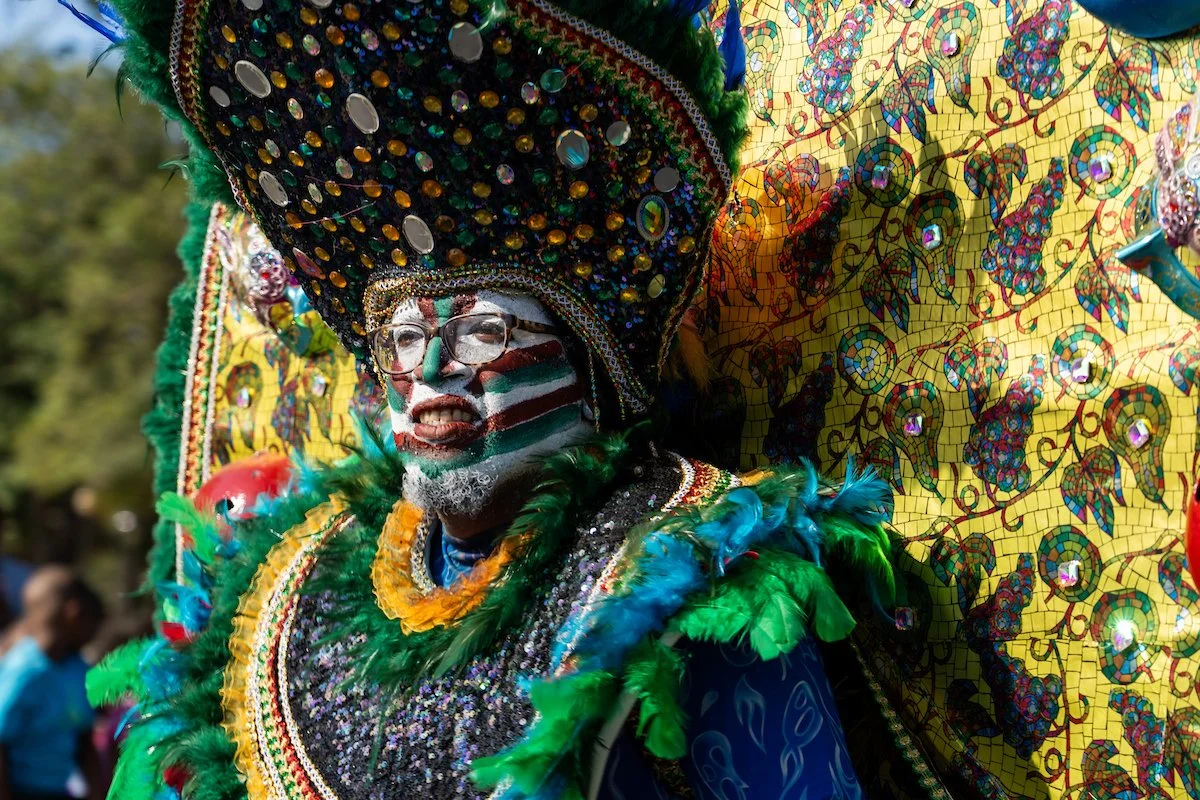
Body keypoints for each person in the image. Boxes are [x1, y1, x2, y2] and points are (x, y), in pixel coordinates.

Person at [85, 0, 901, 797]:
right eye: (402, 342)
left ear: (585, 367)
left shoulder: (699, 571)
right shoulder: (288, 589)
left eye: (481, 335)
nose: (435, 368)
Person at [0, 566, 105, 800]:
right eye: (94, 625)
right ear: (73, 614)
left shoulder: (79, 670)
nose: (95, 635)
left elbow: (84, 739)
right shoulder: (23, 671)